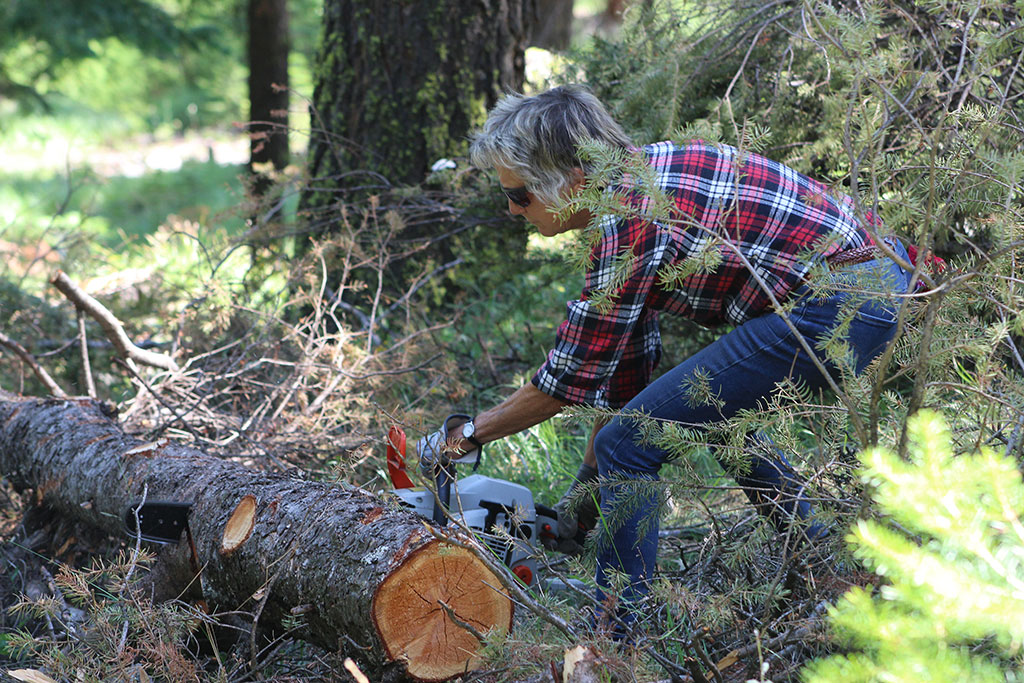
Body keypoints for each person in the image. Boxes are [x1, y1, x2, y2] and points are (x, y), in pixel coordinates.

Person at [421, 84, 911, 610]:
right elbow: (624, 371)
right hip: (872, 281)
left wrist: (466, 437)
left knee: (631, 446)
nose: (514, 210)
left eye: (520, 195)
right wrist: (581, 504)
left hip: (846, 301)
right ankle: (823, 564)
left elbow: (571, 378)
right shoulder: (638, 183)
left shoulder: (627, 222)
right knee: (707, 407)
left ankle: (616, 633)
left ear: (573, 182)